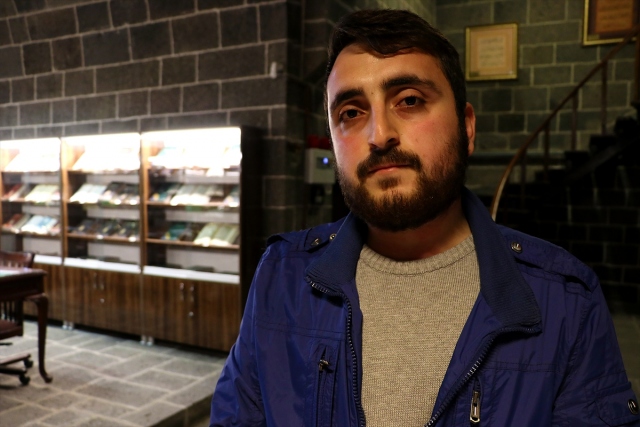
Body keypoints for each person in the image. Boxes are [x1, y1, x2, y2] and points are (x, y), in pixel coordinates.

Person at [210, 9, 640, 426]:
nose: (379, 135)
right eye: (351, 113)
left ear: (466, 128)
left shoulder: (565, 302)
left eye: (410, 100)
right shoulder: (281, 278)